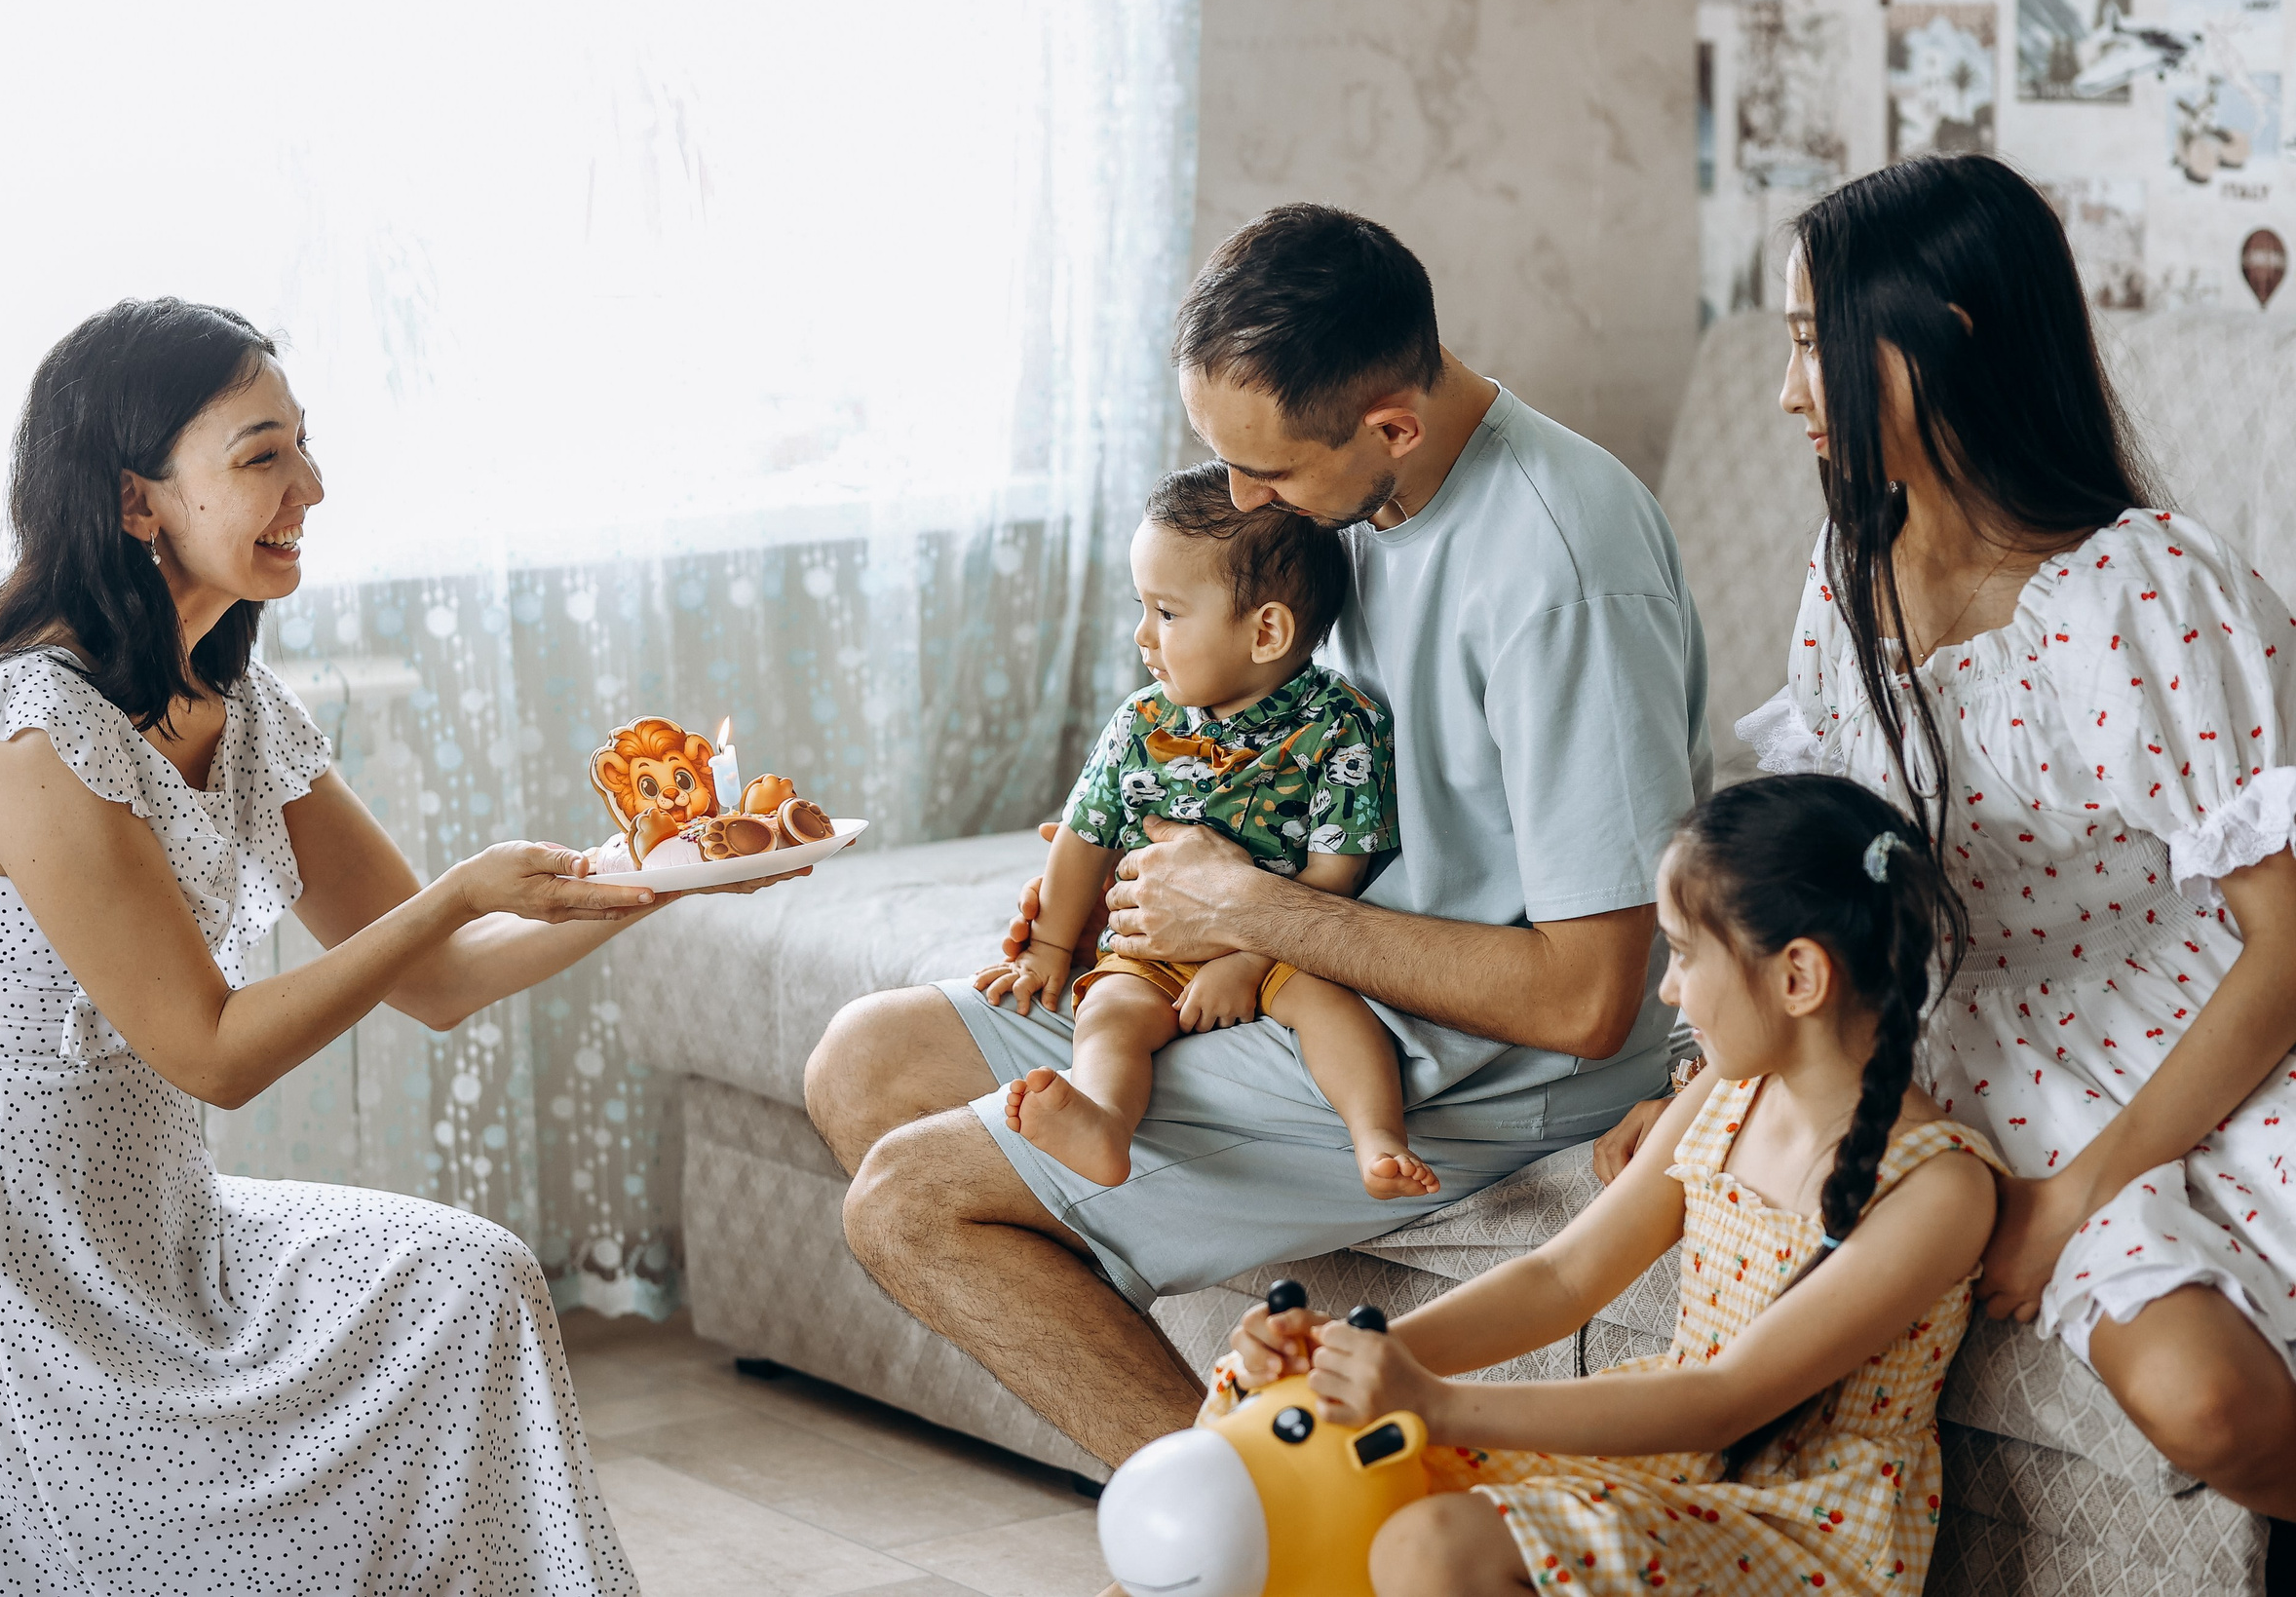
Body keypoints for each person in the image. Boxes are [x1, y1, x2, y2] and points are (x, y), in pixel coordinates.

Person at [0, 299, 797, 1592]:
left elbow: (437, 979)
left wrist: (660, 873)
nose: (312, 487)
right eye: (263, 453)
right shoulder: (35, 739)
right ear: (135, 500)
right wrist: (448, 893)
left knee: (470, 1281)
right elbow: (214, 1049)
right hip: (2, 1265)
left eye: (306, 447)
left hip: (160, 1228)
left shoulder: (231, 697)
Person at [806, 204, 1713, 1470]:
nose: (1243, 501)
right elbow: (1293, 757)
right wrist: (1136, 873)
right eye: (1222, 459)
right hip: (1295, 977)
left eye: (1271, 473)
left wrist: (1246, 910)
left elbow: (1590, 999)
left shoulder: (1560, 568)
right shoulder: (1348, 508)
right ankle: (1250, 1503)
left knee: (911, 1200)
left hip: (1487, 1059)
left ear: (1393, 421)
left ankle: (1232, 1538)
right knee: (864, 1058)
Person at [1595, 153, 2296, 1517]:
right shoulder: (1847, 574)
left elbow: (2283, 941)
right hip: (1971, 1046)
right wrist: (1711, 1084)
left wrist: (2082, 1191)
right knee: (2200, 1388)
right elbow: (1811, 888)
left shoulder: (2144, 588)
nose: (1791, 390)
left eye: (1815, 343)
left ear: (1947, 336)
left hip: (2216, 1016)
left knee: (2223, 1393)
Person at [1217, 775, 2001, 1597]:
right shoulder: (1724, 1092)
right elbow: (1562, 1277)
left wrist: (1433, 1403)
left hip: (1793, 1527)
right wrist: (1353, 1356)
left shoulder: (1938, 1188)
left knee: (1431, 1543)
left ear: (1798, 976)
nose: (1667, 989)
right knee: (1287, 1442)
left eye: (1687, 955)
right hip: (1670, 1469)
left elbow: (1721, 1398)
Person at [974, 460, 1434, 1199]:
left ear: (1267, 631)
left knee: (1338, 1013)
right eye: (1142, 606)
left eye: (1166, 612)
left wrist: (1246, 963)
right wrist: (1052, 946)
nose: (1142, 635)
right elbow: (1084, 835)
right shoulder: (1140, 722)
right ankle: (1102, 1123)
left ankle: (1378, 1142)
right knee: (1109, 1015)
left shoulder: (1342, 726)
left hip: (1286, 949)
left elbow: (1332, 879)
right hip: (1153, 940)